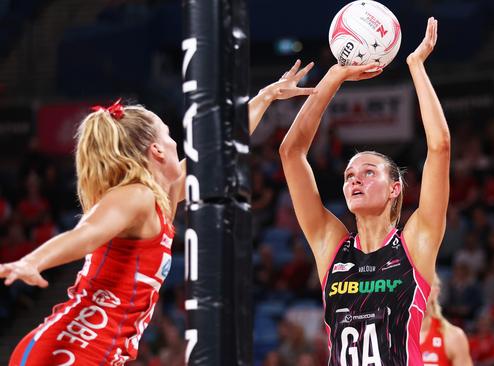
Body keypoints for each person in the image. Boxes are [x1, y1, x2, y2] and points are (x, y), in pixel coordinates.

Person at [0, 61, 314, 365]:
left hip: (97, 353)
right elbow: (84, 234)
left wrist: (267, 96)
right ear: (157, 150)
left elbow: (223, 145)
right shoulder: (135, 195)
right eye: (168, 133)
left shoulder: (163, 195)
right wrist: (32, 261)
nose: (176, 140)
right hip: (68, 351)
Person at [279, 17, 450, 365]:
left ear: (394, 189)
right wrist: (334, 76)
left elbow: (440, 147)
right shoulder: (332, 247)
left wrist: (416, 66)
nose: (354, 180)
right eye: (349, 175)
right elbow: (291, 153)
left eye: (368, 173)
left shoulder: (414, 244)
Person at [420, 274, 472, 366]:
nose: (415, 294)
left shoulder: (453, 337)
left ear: (435, 292)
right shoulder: (389, 337)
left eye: (421, 286)